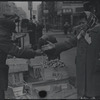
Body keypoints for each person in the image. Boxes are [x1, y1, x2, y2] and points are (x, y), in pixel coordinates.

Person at [42, 11, 100, 99]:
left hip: (93, 67)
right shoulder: (82, 32)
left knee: (93, 90)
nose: (81, 25)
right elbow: (69, 43)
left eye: (83, 22)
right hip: (82, 66)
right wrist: (54, 46)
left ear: (90, 20)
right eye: (80, 23)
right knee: (83, 91)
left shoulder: (98, 31)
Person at [0, 16, 43, 99]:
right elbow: (18, 52)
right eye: (10, 32)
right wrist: (35, 53)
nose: (10, 34)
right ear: (5, 29)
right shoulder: (2, 37)